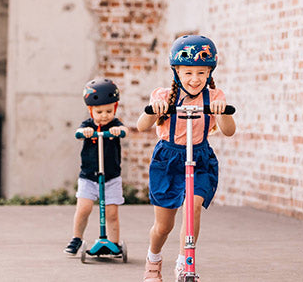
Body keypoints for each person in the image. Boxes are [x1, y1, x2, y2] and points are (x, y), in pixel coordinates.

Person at [137, 35, 236, 282]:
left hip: (200, 158)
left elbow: (229, 130)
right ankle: (154, 259)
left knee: (192, 208)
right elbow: (141, 125)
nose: (195, 79)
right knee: (164, 226)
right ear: (177, 72)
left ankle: (185, 263)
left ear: (209, 73)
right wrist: (154, 110)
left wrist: (222, 112)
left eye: (201, 73)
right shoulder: (162, 95)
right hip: (168, 159)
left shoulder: (214, 97)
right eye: (188, 72)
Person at [63, 78, 128, 256]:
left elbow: (125, 130)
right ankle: (76, 238)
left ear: (114, 109)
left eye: (109, 111)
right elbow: (77, 133)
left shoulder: (115, 124)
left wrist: (118, 131)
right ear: (91, 110)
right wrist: (83, 133)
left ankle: (114, 244)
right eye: (99, 112)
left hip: (112, 177)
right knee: (84, 208)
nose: (104, 115)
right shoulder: (88, 125)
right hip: (89, 176)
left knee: (112, 213)